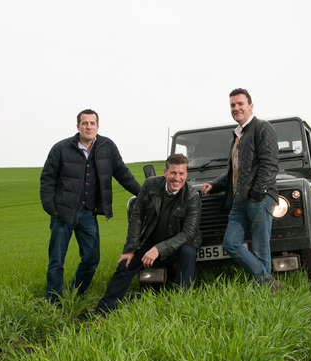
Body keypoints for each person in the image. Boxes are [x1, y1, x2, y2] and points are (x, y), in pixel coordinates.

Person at [40, 109, 141, 304]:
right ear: (78, 126)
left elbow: (122, 173)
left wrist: (144, 194)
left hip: (88, 214)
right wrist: (51, 208)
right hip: (63, 213)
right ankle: (52, 302)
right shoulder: (61, 148)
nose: (88, 127)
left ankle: (74, 294)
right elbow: (47, 179)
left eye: (92, 123)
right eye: (84, 123)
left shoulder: (107, 146)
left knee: (91, 259)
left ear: (97, 126)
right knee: (56, 261)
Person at [95, 154, 202, 315]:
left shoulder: (192, 197)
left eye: (181, 174)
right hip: (152, 237)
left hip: (180, 242)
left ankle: (181, 305)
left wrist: (158, 249)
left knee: (189, 252)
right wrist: (130, 248)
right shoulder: (151, 185)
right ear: (165, 172)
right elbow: (137, 215)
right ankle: (102, 312)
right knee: (126, 263)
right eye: (173, 173)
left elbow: (188, 233)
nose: (177, 178)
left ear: (186, 175)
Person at [200, 88, 281, 290]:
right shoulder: (238, 136)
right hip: (240, 201)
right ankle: (267, 282)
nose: (236, 108)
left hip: (258, 199)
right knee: (230, 243)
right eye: (232, 105)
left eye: (240, 104)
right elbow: (234, 173)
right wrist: (214, 184)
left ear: (250, 106)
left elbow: (269, 164)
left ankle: (266, 292)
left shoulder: (262, 128)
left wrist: (257, 194)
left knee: (261, 248)